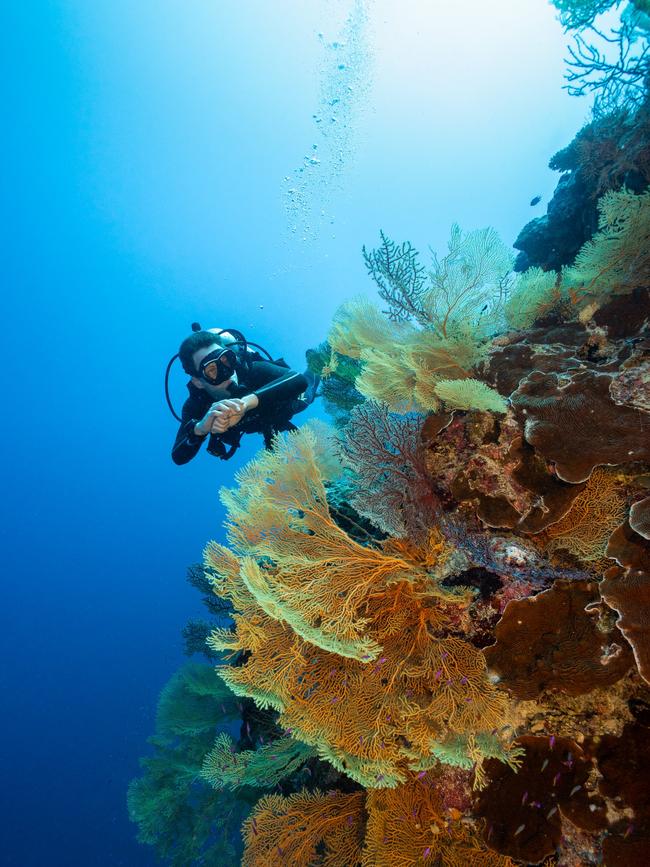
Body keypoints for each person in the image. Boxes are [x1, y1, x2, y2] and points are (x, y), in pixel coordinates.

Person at [171, 326, 319, 464]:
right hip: (259, 424)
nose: (227, 374)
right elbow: (178, 457)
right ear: (198, 382)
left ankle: (316, 365)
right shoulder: (198, 404)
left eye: (226, 361)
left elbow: (298, 380)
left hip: (283, 404)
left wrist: (246, 403)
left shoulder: (253, 370)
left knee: (308, 395)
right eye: (212, 370)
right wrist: (200, 429)